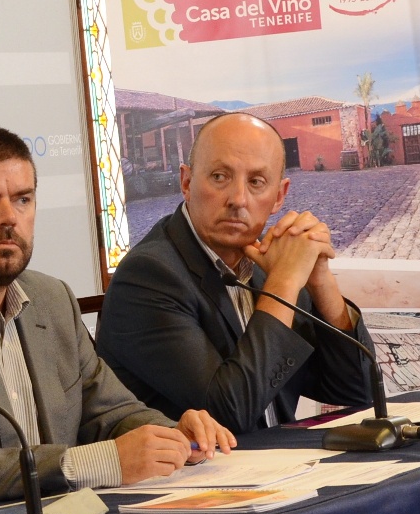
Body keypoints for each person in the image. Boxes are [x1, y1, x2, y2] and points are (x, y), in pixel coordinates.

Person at [0, 125, 233, 504]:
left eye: (22, 199)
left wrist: (172, 435)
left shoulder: (51, 297)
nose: (8, 218)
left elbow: (112, 412)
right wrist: (96, 462)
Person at [97, 112, 377, 432]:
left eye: (256, 182)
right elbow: (228, 415)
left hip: (279, 467)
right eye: (219, 177)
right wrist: (284, 282)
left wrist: (319, 278)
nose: (238, 199)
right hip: (195, 476)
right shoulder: (148, 277)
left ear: (279, 196)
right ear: (186, 183)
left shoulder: (265, 267)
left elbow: (359, 390)